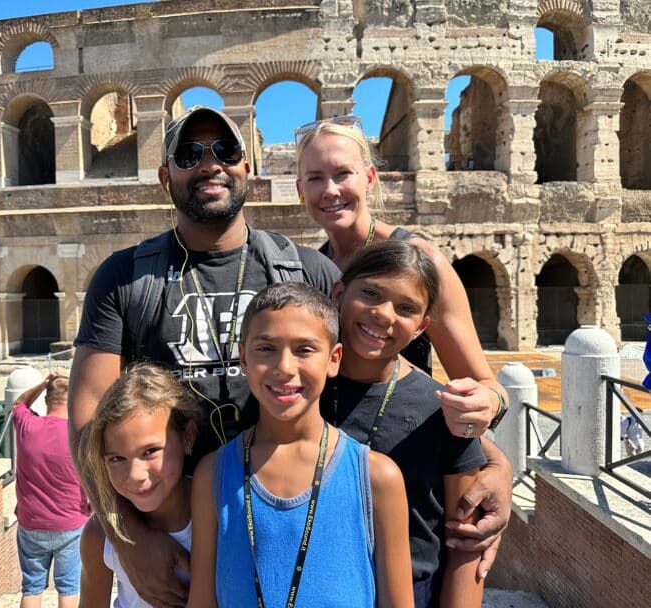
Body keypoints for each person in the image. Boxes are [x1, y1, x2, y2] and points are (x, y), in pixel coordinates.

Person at [69, 106, 339, 607]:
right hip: (172, 535)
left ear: (248, 168)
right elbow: (88, 423)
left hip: (283, 518)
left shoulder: (307, 271)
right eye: (190, 154)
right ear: (163, 175)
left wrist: (484, 428)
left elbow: (371, 377)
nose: (210, 164)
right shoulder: (124, 278)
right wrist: (128, 537)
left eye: (226, 151)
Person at [294, 115, 513, 577]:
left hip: (412, 476)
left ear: (369, 178)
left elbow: (486, 388)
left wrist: (496, 463)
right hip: (337, 474)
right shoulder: (314, 271)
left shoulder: (424, 261)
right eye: (315, 178)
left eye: (342, 174)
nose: (330, 190)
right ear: (300, 189)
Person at [188, 282, 414, 607]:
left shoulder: (378, 478)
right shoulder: (213, 474)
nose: (284, 367)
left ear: (334, 359)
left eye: (304, 350)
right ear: (244, 358)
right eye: (266, 348)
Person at [324, 240, 486, 607]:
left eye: (406, 308)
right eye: (370, 293)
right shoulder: (302, 391)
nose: (384, 313)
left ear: (421, 327)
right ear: (339, 294)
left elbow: (465, 542)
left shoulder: (444, 409)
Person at [77, 362, 202, 608]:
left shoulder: (221, 515)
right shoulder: (98, 534)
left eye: (150, 451)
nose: (134, 475)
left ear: (187, 436)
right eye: (117, 458)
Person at [13, 371, 90, 608]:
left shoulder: (27, 426)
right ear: (73, 400)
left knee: (32, 588)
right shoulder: (80, 436)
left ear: (46, 400)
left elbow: (19, 403)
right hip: (70, 524)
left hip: (31, 523)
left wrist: (43, 383)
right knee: (68, 588)